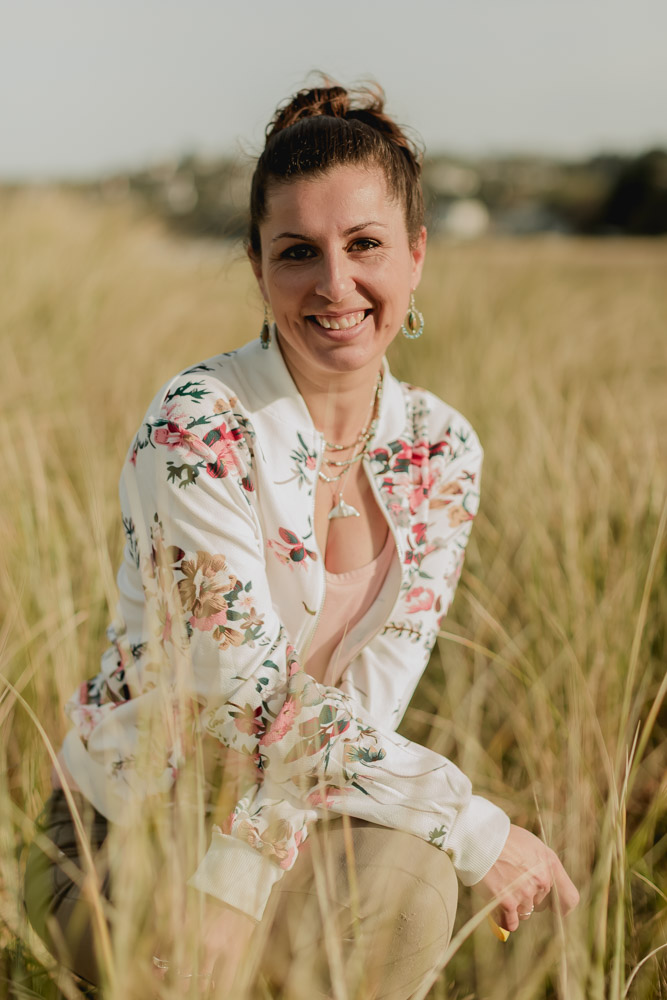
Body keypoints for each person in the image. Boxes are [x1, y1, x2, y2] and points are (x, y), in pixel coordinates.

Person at [24, 82, 579, 998]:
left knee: (409, 881)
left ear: (415, 256)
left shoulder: (440, 448)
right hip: (126, 826)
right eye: (297, 253)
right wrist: (477, 824)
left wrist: (240, 880)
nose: (334, 284)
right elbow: (244, 699)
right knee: (435, 847)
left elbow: (369, 696)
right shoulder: (197, 424)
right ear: (256, 266)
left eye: (364, 245)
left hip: (284, 820)